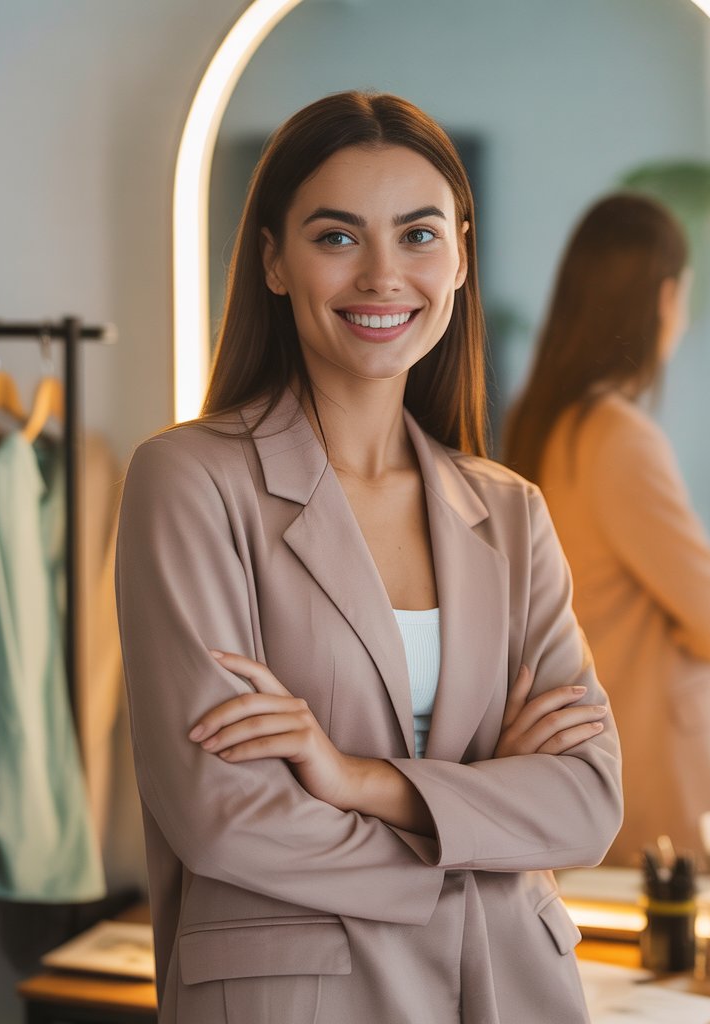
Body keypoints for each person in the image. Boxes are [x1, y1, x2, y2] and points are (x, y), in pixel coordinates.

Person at [115, 91, 621, 1024]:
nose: (384, 275)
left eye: (419, 235)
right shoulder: (189, 483)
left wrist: (358, 780)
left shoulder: (511, 513)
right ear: (272, 259)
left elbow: (587, 802)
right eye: (338, 237)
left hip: (514, 990)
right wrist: (481, 821)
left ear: (461, 255)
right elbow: (225, 814)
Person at [503, 193, 710, 867]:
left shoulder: (544, 426)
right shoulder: (616, 436)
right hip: (660, 774)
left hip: (598, 763)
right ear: (664, 298)